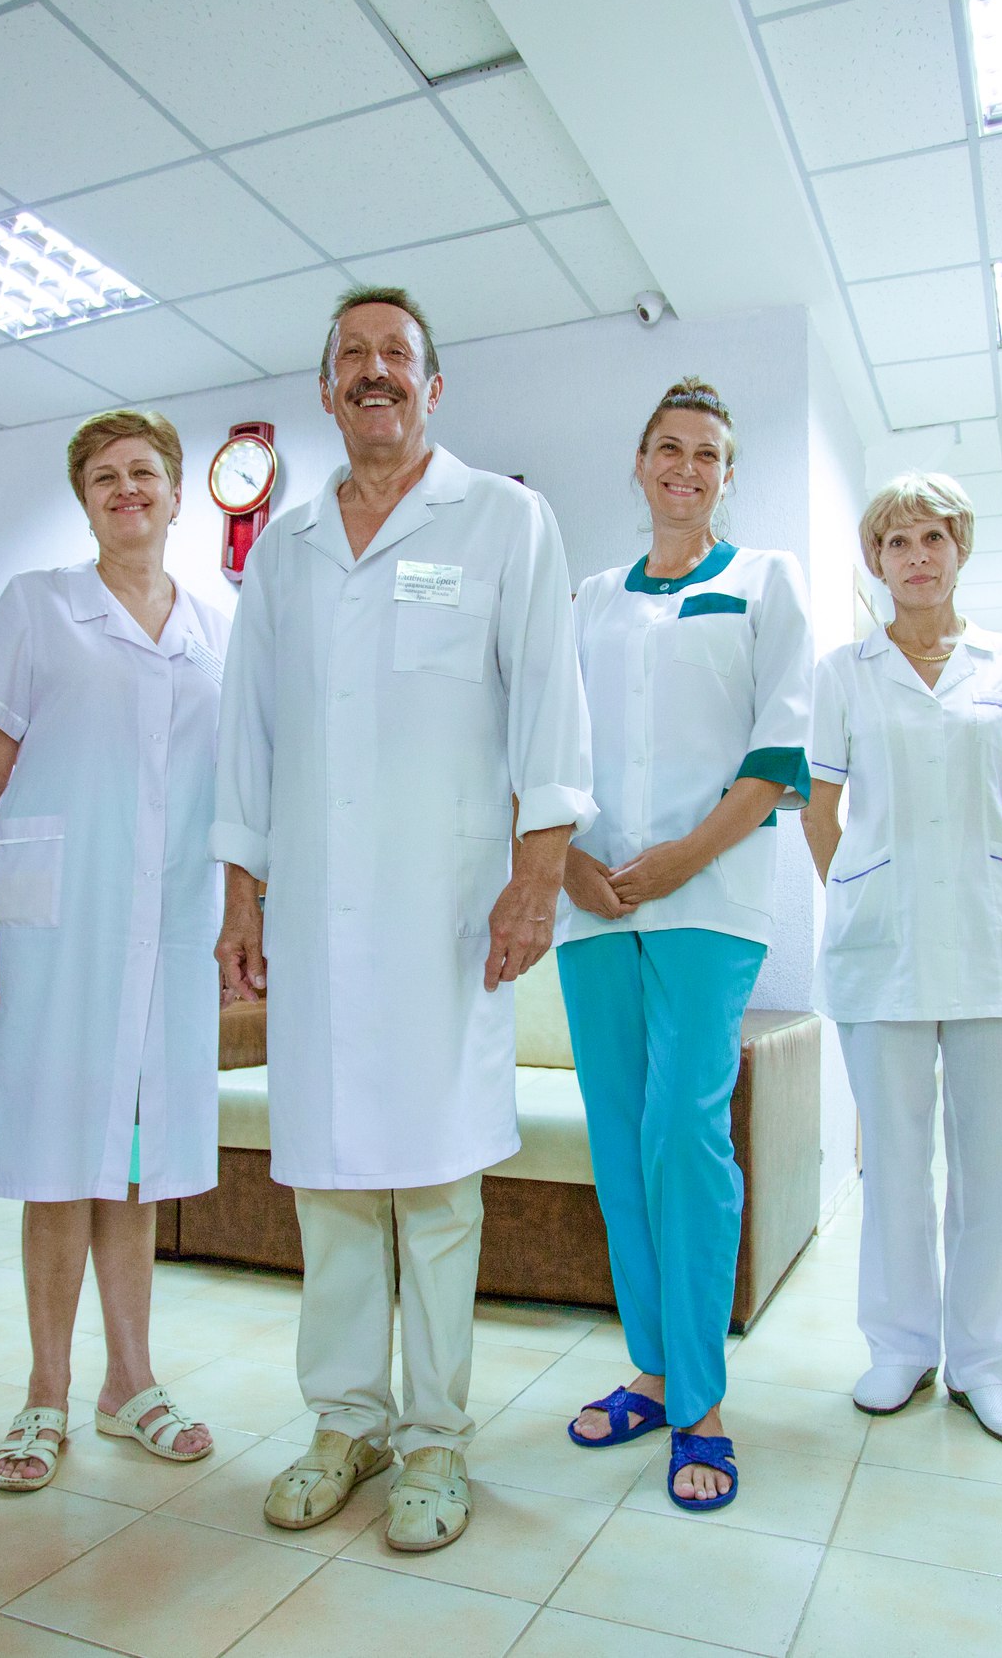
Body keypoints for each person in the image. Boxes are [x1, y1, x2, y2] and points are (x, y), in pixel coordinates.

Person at [214, 287, 593, 1553]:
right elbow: (247, 729)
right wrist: (238, 889)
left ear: (433, 386)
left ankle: (433, 1435)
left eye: (397, 355)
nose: (374, 372)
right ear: (325, 389)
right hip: (318, 913)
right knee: (325, 1180)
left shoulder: (504, 519)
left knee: (435, 1182)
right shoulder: (286, 546)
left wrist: (538, 869)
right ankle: (347, 1421)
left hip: (445, 911)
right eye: (352, 357)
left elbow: (549, 703)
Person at [0, 409, 225, 1491]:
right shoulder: (37, 604)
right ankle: (45, 1392)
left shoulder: (213, 623)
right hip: (56, 921)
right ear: (84, 499)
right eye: (104, 476)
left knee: (137, 1161)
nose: (126, 489)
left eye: (144, 472)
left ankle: (131, 1383)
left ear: (176, 493)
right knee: (60, 1156)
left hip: (169, 922)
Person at [554, 377, 811, 1512]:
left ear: (727, 474)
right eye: (669, 446)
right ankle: (653, 1372)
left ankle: (701, 1400)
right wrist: (570, 863)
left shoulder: (765, 582)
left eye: (708, 453)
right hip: (593, 900)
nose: (686, 467)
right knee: (619, 1140)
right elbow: (547, 746)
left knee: (681, 1131)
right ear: (640, 461)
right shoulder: (589, 599)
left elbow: (777, 757)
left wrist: (681, 858)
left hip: (709, 896)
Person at [802, 474, 1002, 1447]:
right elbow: (818, 808)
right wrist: (864, 887)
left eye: (933, 538)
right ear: (876, 560)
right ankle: (901, 1346)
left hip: (991, 938)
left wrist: (987, 873)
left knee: (994, 1163)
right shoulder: (844, 670)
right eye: (896, 542)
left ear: (960, 549)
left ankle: (986, 1364)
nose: (916, 557)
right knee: (894, 1161)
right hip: (883, 943)